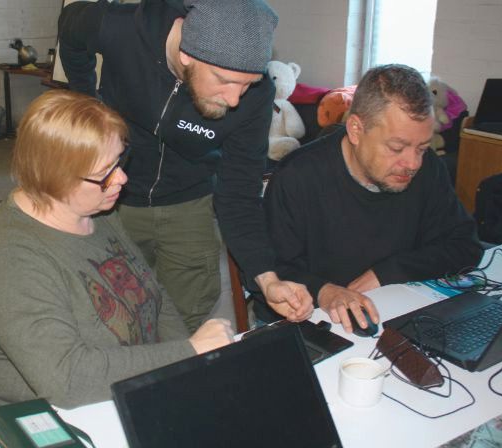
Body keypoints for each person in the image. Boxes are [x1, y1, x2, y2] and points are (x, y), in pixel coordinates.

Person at [0, 90, 233, 425]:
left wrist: (188, 366)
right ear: (54, 175)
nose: (121, 178)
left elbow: (154, 296)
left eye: (119, 161)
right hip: (1, 421)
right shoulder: (10, 259)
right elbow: (69, 379)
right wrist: (188, 352)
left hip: (96, 398)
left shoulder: (96, 213)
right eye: (105, 172)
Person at [57, 0, 313, 332]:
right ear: (186, 54)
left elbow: (240, 193)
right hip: (113, 199)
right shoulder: (123, 30)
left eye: (247, 83)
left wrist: (267, 278)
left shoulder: (256, 96)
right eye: (223, 80)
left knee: (186, 324)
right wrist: (86, 104)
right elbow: (71, 23)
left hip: (188, 202)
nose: (234, 99)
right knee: (110, 317)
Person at [257, 64, 484, 331]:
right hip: (314, 323)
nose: (413, 163)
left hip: (399, 313)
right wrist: (324, 290)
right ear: (356, 130)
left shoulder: (428, 168)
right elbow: (272, 270)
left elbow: (464, 245)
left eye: (422, 148)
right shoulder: (298, 176)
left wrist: (387, 273)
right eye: (397, 147)